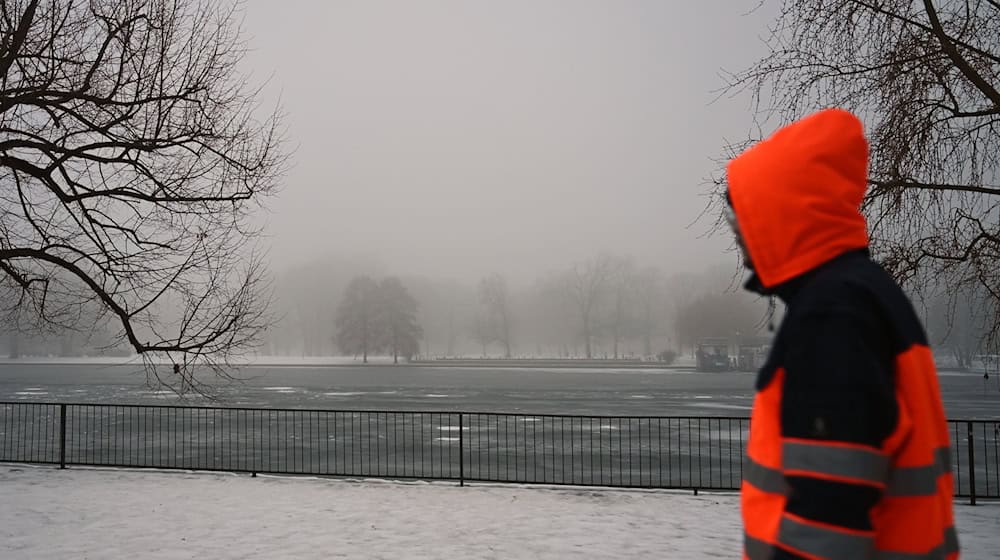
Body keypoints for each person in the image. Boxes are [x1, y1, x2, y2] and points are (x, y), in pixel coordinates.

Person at [725, 108, 958, 559]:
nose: (740, 240)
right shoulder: (862, 294)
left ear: (781, 216)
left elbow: (827, 515)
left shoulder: (833, 313)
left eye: (745, 222)